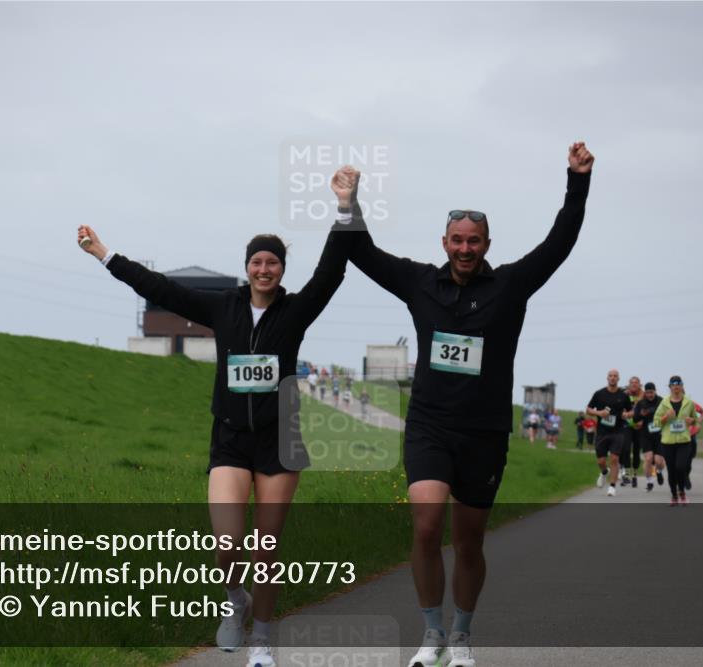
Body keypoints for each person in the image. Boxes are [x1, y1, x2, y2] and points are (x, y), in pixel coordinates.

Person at [77, 165, 360, 667]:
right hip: (230, 438)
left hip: (279, 441)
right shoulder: (223, 308)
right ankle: (236, 601)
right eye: (257, 262)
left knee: (266, 552)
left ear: (281, 271)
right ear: (246, 267)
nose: (264, 270)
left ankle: (262, 643)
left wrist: (345, 208)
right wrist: (105, 255)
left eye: (273, 263)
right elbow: (160, 288)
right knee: (228, 546)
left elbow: (333, 270)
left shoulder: (296, 311)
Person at [345, 142, 594, 667]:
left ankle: (461, 635)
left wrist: (577, 181)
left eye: (473, 241)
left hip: (483, 432)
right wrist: (349, 204)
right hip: (430, 426)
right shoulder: (419, 282)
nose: (464, 248)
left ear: (486, 244)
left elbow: (560, 242)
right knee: (427, 524)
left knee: (470, 540)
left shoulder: (509, 286)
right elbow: (363, 253)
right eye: (457, 240)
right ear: (444, 242)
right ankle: (431, 633)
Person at [587, 369, 633, 497]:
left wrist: (627, 414)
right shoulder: (599, 394)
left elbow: (631, 411)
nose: (613, 378)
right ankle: (604, 472)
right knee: (601, 461)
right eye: (610, 376)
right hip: (602, 432)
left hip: (617, 432)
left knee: (614, 458)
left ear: (618, 379)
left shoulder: (623, 396)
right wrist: (599, 413)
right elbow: (588, 409)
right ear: (607, 378)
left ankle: (612, 487)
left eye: (615, 376)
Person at [653, 376, 698, 506]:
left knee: (680, 467)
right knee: (671, 471)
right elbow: (656, 423)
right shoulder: (664, 403)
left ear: (682, 386)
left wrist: (692, 421)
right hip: (668, 442)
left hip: (684, 441)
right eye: (673, 384)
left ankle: (682, 492)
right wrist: (666, 417)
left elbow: (695, 419)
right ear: (670, 387)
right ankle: (674, 496)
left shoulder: (689, 402)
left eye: (678, 384)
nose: (676, 386)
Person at [632, 382, 665, 491]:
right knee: (648, 458)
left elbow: (668, 414)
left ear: (655, 391)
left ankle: (659, 471)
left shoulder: (662, 401)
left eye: (651, 392)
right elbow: (635, 419)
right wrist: (641, 415)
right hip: (645, 435)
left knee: (659, 461)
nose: (650, 395)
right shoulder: (641, 403)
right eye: (647, 393)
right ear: (645, 393)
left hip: (660, 435)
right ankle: (650, 481)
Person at [623, 376, 643, 488]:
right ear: (629, 384)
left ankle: (634, 475)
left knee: (636, 451)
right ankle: (626, 473)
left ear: (640, 385)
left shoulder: (644, 395)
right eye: (632, 383)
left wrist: (643, 422)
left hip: (639, 426)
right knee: (626, 448)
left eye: (636, 383)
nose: (634, 385)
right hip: (627, 425)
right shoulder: (625, 394)